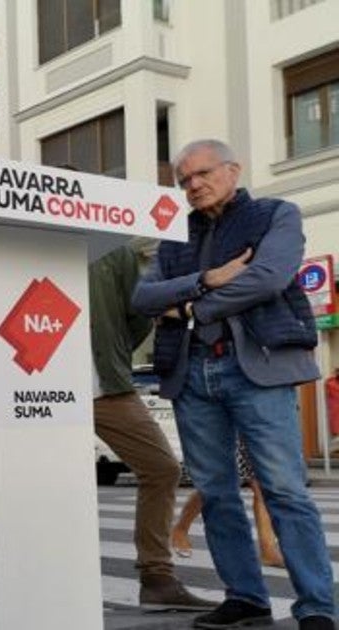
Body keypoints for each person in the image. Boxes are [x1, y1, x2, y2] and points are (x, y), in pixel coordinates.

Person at [133, 139, 334, 630]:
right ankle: (246, 596)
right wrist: (207, 279)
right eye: (184, 180)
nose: (193, 185)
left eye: (202, 173)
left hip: (256, 369)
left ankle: (317, 608)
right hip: (192, 372)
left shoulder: (275, 214)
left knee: (285, 490)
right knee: (215, 492)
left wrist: (191, 307)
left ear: (233, 169)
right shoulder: (174, 236)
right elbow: (142, 295)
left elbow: (267, 277)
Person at [89, 242, 217, 611]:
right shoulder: (22, 229)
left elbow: (139, 311)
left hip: (103, 382)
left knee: (162, 467)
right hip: (34, 380)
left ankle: (157, 577)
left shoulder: (111, 249)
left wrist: (109, 350)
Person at [171, 441, 285, 568]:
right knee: (216, 483)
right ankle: (181, 527)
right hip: (230, 429)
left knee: (262, 487)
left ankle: (268, 551)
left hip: (256, 429)